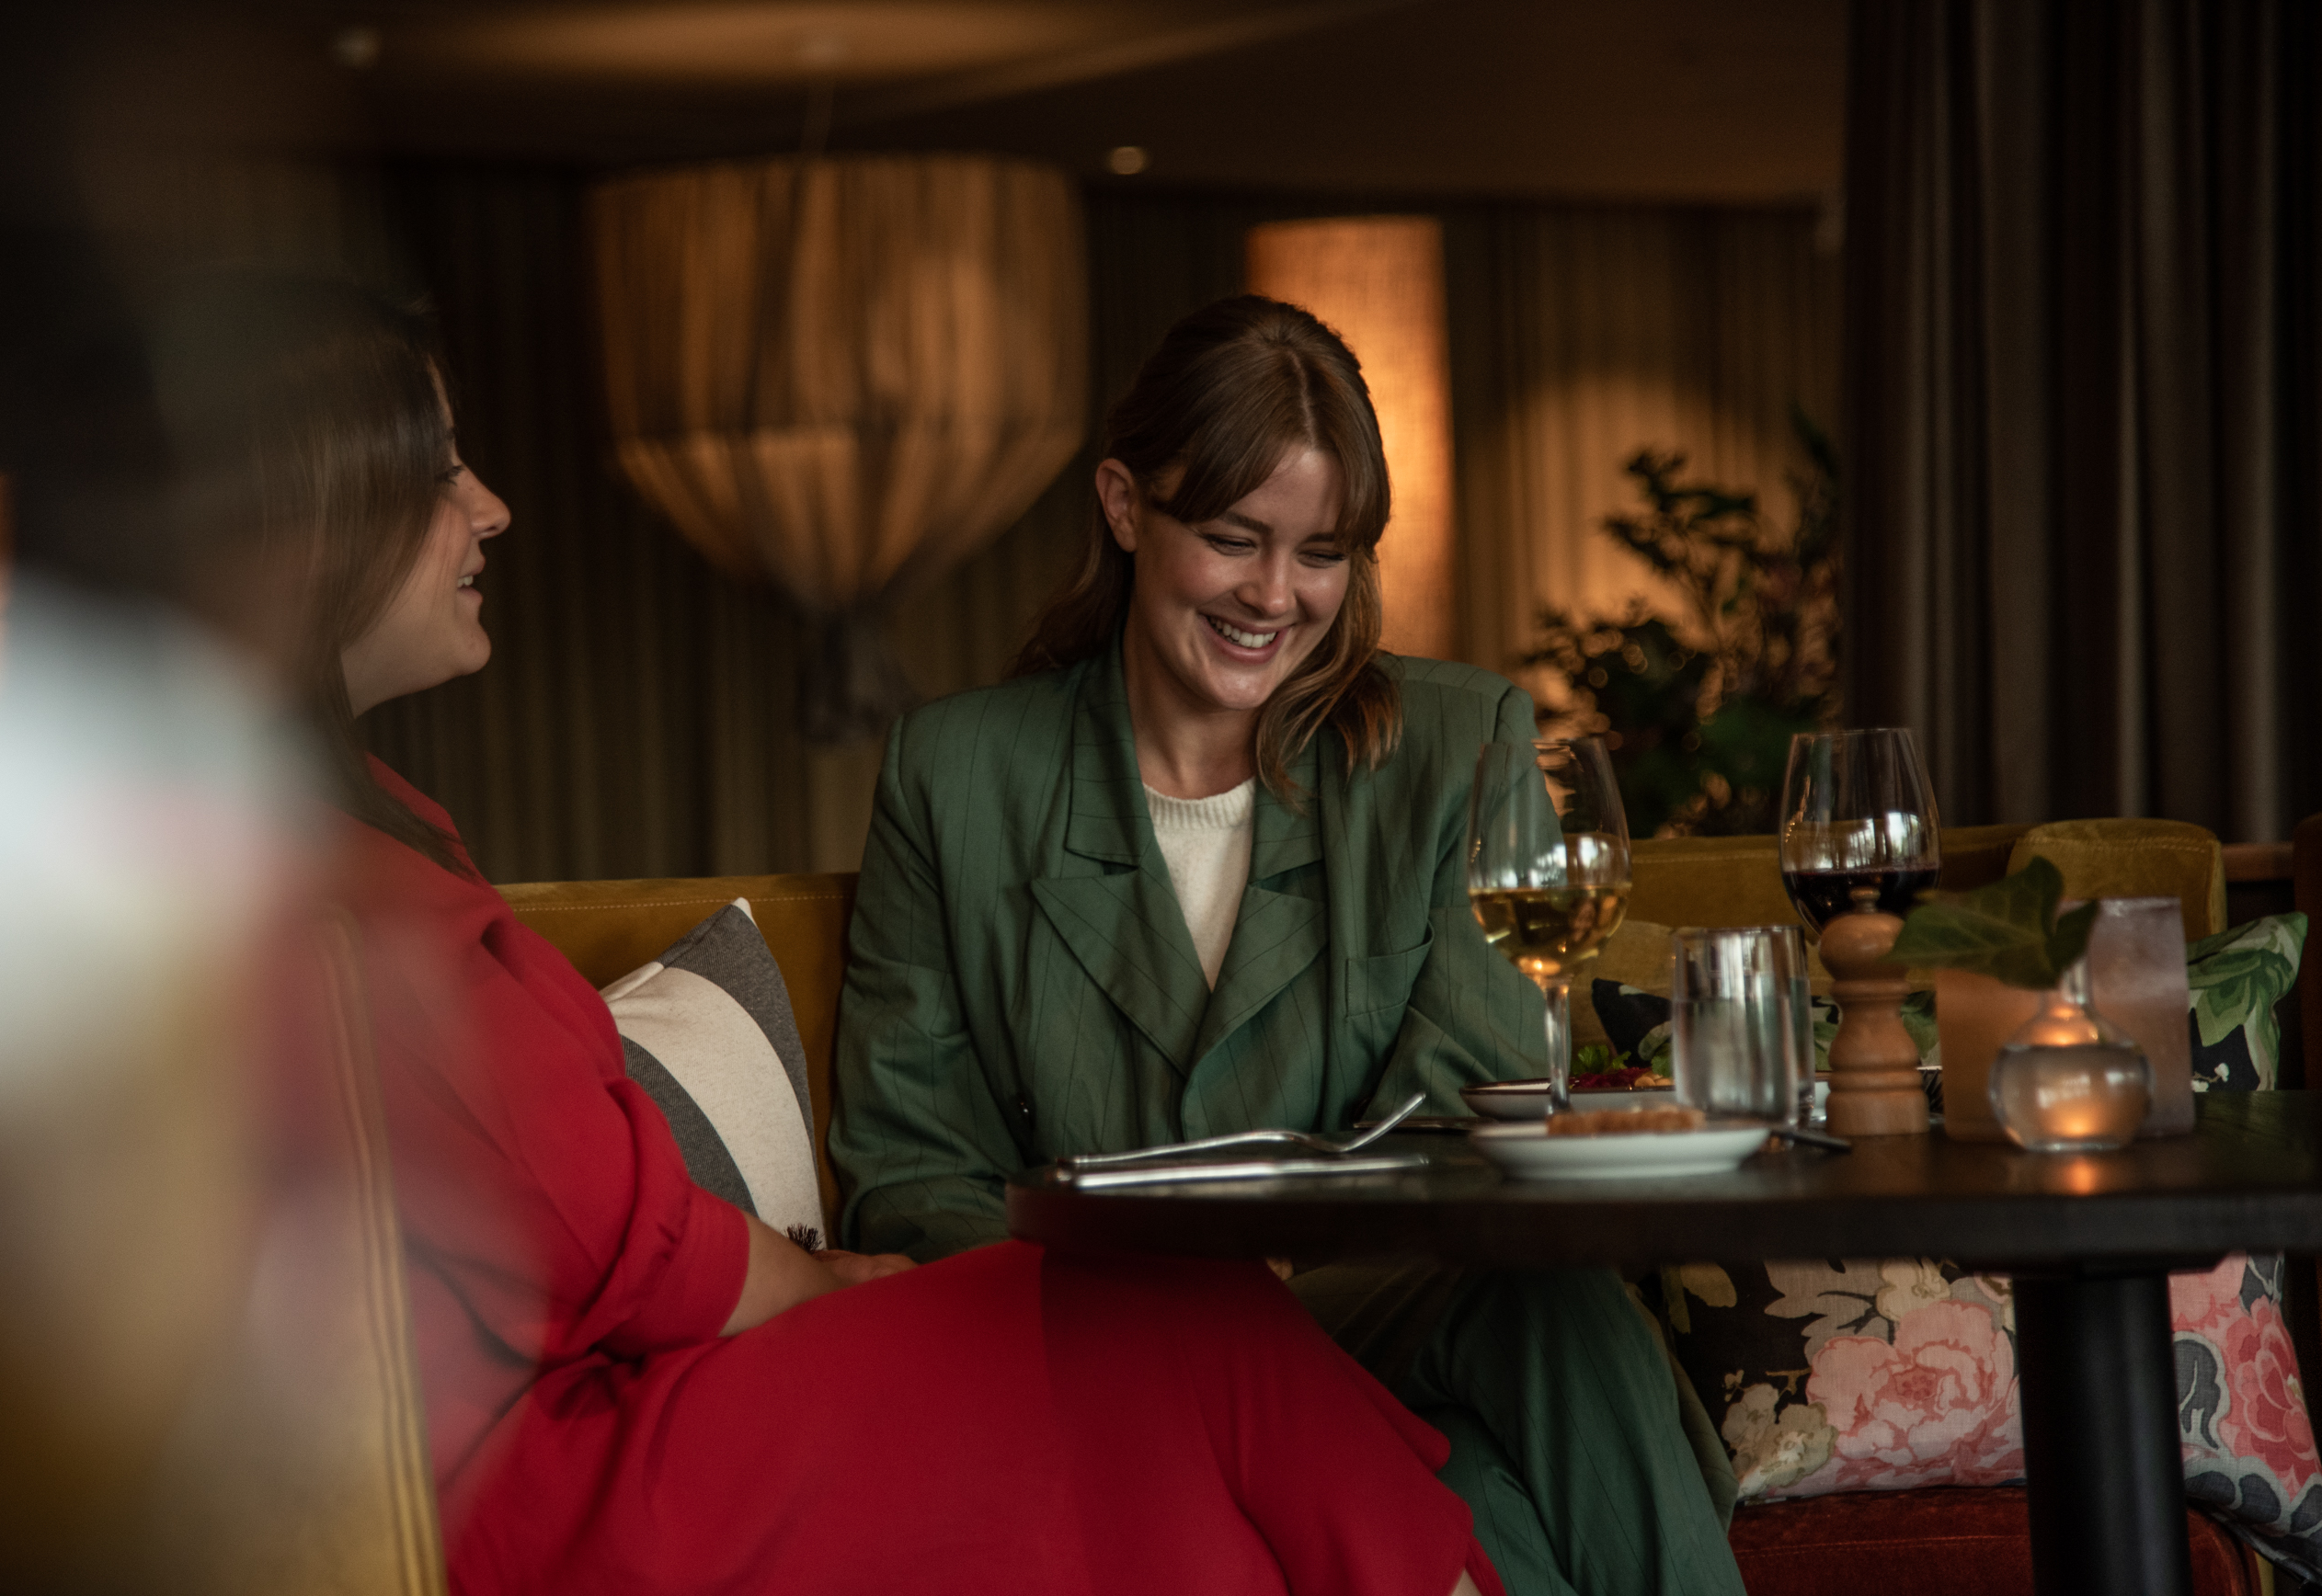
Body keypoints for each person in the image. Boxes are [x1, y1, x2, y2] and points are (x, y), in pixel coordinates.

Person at [173, 275, 1504, 1596]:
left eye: (1322, 552)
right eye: (443, 470)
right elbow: (618, 1245)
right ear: (317, 526)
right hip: (546, 1478)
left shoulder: (357, 832)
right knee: (1172, 1309)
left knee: (1166, 1401)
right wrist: (840, 1287)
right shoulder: (329, 888)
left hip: (585, 1416)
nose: (491, 508)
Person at [832, 295, 1745, 1596]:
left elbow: (1470, 1113)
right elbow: (906, 1169)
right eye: (1231, 539)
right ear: (1123, 504)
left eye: (1323, 552)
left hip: (1382, 1308)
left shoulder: (1462, 743)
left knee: (1541, 1309)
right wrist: (1160, 1298)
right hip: (1114, 1347)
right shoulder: (956, 772)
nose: (1277, 596)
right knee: (1482, 1485)